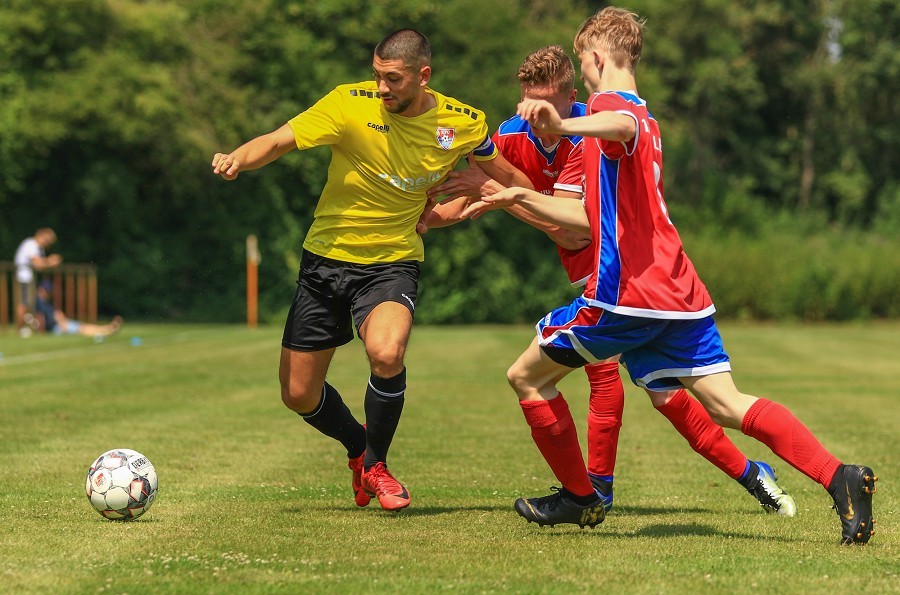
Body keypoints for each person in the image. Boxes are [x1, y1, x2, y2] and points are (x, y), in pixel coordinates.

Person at [464, 7, 877, 544]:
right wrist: (522, 195)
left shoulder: (615, 109)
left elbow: (619, 125)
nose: (585, 79)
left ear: (594, 57)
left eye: (585, 67)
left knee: (527, 377)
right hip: (679, 293)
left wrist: (562, 123)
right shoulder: (645, 116)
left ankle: (580, 497)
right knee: (728, 404)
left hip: (629, 294)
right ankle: (839, 477)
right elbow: (589, 214)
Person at [426, 45, 797, 516]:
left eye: (545, 103)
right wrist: (428, 219)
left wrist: (502, 191)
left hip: (614, 263)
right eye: (527, 102)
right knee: (666, 393)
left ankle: (594, 493)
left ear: (571, 96)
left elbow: (572, 226)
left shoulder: (589, 135)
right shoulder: (510, 135)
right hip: (592, 266)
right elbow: (476, 194)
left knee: (607, 374)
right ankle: (751, 474)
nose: (535, 113)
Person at [211, 29, 532, 512]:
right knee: (299, 394)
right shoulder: (348, 103)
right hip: (325, 260)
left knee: (386, 352)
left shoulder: (463, 123)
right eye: (377, 76)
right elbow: (279, 140)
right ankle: (359, 448)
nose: (381, 88)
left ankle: (377, 465)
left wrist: (516, 201)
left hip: (392, 263)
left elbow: (509, 179)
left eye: (393, 79)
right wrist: (239, 157)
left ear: (423, 76)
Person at [13, 228, 62, 334]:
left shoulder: (38, 248)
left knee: (28, 303)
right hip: (24, 278)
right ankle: (20, 329)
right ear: (40, 235)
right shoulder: (31, 244)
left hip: (28, 278)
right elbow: (37, 264)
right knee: (23, 303)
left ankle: (24, 328)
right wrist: (51, 261)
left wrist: (48, 263)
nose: (47, 244)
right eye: (47, 240)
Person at [33, 280, 123, 338]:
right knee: (82, 329)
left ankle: (108, 328)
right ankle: (108, 330)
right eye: (46, 290)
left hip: (61, 324)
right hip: (56, 327)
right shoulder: (39, 302)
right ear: (41, 289)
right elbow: (40, 318)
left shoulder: (45, 302)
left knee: (83, 326)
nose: (48, 292)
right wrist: (42, 332)